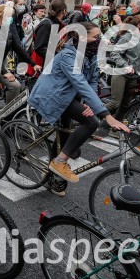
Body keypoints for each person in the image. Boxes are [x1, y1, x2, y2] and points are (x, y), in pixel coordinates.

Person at [29, 22, 130, 190]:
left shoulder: (91, 54)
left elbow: (91, 81)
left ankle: (52, 173)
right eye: (96, 37)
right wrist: (107, 116)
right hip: (53, 96)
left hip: (69, 96)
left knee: (65, 136)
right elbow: (80, 82)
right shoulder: (68, 55)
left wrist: (91, 104)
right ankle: (59, 162)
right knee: (92, 122)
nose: (99, 41)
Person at [97, 13, 140, 136]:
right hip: (120, 73)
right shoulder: (128, 37)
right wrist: (125, 66)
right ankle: (91, 117)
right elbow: (115, 53)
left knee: (125, 104)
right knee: (115, 103)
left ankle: (114, 128)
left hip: (134, 76)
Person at [0, 3, 37, 104]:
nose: (11, 19)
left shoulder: (6, 29)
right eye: (9, 16)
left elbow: (18, 49)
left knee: (17, 83)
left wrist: (33, 64)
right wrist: (4, 72)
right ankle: (7, 117)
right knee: (15, 86)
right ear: (0, 16)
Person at [33, 0, 68, 68]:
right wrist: (58, 57)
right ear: (63, 11)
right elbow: (40, 48)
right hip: (43, 64)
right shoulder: (47, 24)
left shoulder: (55, 23)